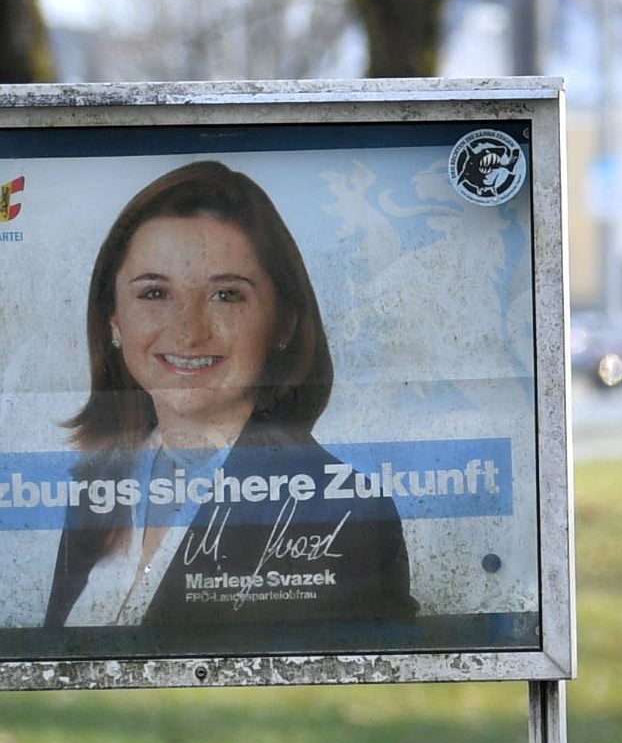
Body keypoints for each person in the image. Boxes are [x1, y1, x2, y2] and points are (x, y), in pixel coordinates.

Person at [44, 159, 411, 633]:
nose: (188, 332)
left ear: (284, 322)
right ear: (113, 319)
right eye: (155, 293)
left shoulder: (343, 510)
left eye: (226, 296)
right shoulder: (98, 487)